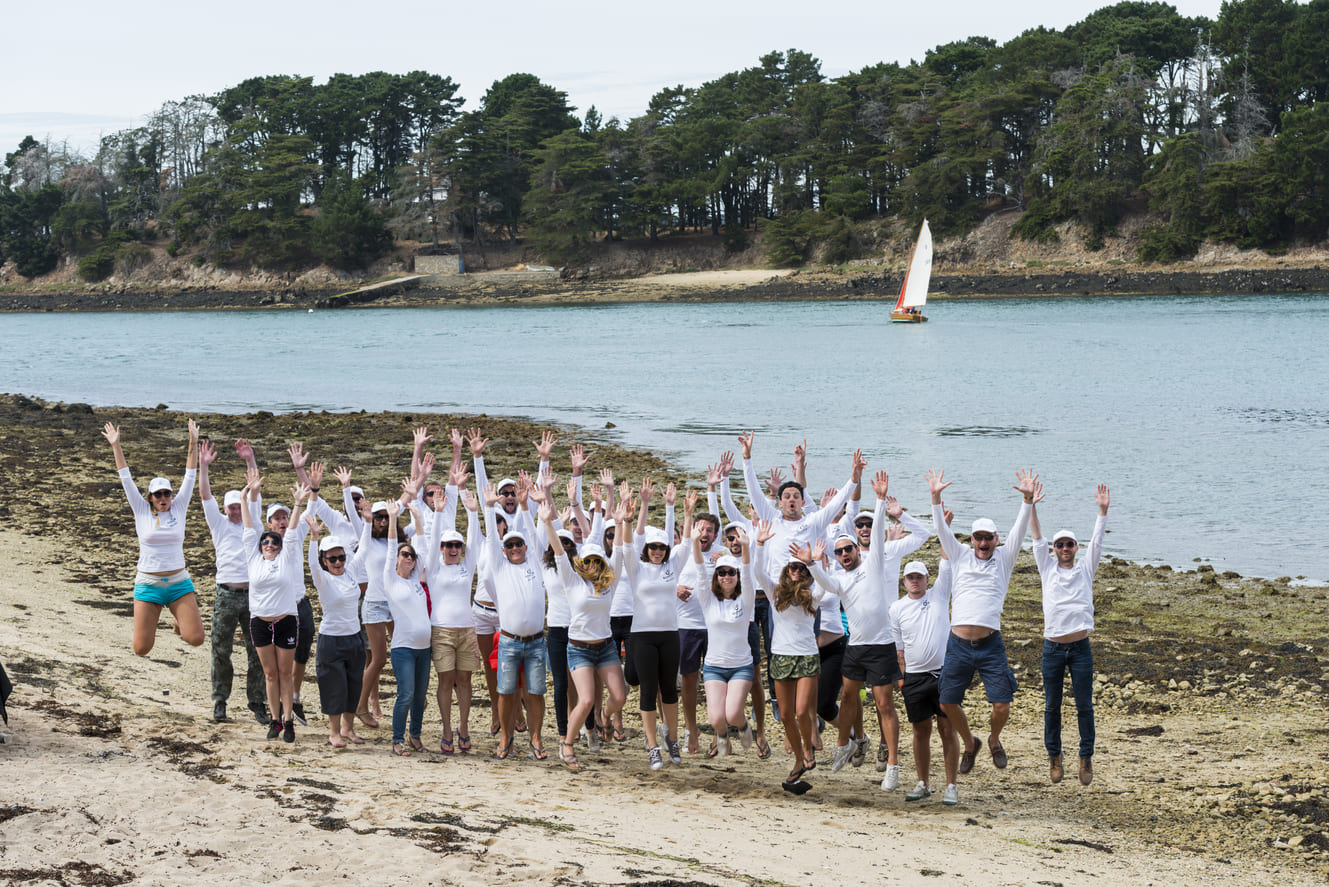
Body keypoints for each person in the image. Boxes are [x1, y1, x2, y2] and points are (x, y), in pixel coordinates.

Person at [812, 471, 932, 790]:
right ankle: (853, 742)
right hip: (855, 643)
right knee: (850, 697)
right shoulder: (841, 574)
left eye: (848, 549)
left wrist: (881, 502)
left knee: (884, 703)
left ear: (859, 547)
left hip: (885, 641)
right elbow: (826, 574)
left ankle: (891, 762)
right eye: (840, 552)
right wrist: (814, 557)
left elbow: (880, 532)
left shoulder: (877, 558)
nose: (844, 554)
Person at [928, 467, 1037, 774]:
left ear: (995, 539)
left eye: (989, 538)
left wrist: (1027, 500)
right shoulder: (959, 554)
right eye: (979, 537)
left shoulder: (1004, 558)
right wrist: (935, 498)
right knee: (947, 704)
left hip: (990, 644)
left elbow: (1020, 529)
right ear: (972, 539)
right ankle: (970, 743)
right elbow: (940, 529)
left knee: (1002, 704)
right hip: (958, 644)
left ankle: (993, 739)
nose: (984, 543)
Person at [102, 419, 205, 656]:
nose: (162, 498)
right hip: (149, 584)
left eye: (166, 493)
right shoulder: (141, 510)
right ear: (150, 497)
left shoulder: (179, 508)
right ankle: (162, 613)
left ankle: (178, 619)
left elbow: (190, 475)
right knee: (141, 649)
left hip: (179, 582)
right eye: (157, 494)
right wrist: (116, 445)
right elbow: (126, 479)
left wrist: (193, 441)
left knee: (196, 638)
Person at [1031, 483, 1109, 787]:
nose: (1065, 549)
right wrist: (1032, 505)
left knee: (1084, 706)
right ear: (1054, 549)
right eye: (1060, 545)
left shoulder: (1085, 570)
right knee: (1052, 706)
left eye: (1070, 545)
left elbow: (1098, 543)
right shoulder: (1046, 568)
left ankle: (1085, 756)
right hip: (1052, 648)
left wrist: (1102, 512)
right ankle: (1055, 756)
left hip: (1080, 648)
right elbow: (1036, 536)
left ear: (1076, 548)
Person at [537, 497, 623, 771]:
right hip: (579, 648)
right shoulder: (572, 580)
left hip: (606, 647)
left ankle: (605, 719)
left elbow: (620, 551)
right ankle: (568, 744)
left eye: (598, 561)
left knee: (619, 697)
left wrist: (621, 523)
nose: (593, 565)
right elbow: (559, 551)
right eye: (588, 560)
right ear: (582, 562)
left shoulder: (609, 583)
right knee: (585, 699)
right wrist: (548, 521)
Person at [620, 477, 693, 771]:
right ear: (647, 547)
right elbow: (627, 545)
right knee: (648, 691)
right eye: (653, 547)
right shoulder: (636, 568)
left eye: (662, 547)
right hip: (642, 637)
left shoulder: (671, 567)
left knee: (670, 690)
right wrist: (629, 517)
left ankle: (671, 739)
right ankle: (652, 747)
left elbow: (686, 544)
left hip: (670, 635)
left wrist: (685, 513)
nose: (658, 551)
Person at [753, 524, 828, 792]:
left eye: (801, 568)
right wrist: (760, 544)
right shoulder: (774, 592)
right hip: (781, 657)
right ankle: (798, 759)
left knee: (801, 711)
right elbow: (758, 572)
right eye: (793, 567)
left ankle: (808, 748)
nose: (797, 571)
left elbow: (826, 582)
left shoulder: (813, 595)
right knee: (785, 715)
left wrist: (815, 561)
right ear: (787, 570)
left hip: (807, 656)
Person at [198, 438, 268, 724]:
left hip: (254, 596)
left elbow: (255, 487)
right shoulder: (218, 524)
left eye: (237, 506)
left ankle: (257, 703)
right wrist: (203, 467)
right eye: (230, 507)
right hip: (226, 594)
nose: (234, 511)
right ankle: (220, 702)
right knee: (220, 650)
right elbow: (205, 495)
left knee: (258, 652)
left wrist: (250, 459)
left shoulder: (255, 522)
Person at [481, 482, 550, 761]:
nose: (514, 548)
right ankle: (506, 737)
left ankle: (536, 737)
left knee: (535, 693)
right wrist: (488, 508)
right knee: (506, 692)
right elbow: (490, 540)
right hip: (509, 641)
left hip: (535, 642)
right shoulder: (499, 567)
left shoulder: (536, 563)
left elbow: (535, 538)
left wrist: (525, 506)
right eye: (509, 544)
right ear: (504, 548)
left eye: (518, 543)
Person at [240, 470, 310, 742]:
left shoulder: (287, 557)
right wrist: (246, 498)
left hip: (285, 620)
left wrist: (298, 504)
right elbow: (249, 529)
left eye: (274, 542)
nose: (270, 544)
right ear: (261, 546)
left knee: (285, 673)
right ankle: (274, 720)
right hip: (260, 621)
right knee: (270, 674)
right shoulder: (254, 558)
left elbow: (291, 532)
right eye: (266, 541)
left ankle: (289, 720)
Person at [680, 522, 757, 757]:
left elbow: (747, 572)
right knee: (715, 719)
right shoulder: (708, 600)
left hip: (740, 666)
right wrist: (694, 543)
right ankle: (722, 734)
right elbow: (701, 573)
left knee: (733, 714)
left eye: (730, 572)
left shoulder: (746, 599)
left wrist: (745, 549)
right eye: (722, 572)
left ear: (736, 576)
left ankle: (743, 726)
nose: (726, 576)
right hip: (714, 667)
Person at [891, 559, 960, 805]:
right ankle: (923, 783)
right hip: (914, 677)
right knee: (920, 731)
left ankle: (951, 784)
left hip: (944, 673)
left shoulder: (939, 594)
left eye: (919, 576)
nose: (915, 581)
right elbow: (899, 649)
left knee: (947, 730)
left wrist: (944, 526)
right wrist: (902, 679)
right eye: (910, 577)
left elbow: (947, 562)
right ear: (904, 581)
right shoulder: (897, 608)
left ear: (927, 579)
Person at [421, 482, 483, 753]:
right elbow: (433, 541)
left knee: (466, 680)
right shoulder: (433, 567)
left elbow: (477, 541)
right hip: (442, 631)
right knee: (446, 681)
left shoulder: (466, 567)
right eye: (448, 545)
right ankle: (447, 729)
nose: (453, 549)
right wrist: (437, 513)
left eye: (457, 545)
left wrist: (472, 512)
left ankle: (464, 727)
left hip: (467, 631)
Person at [305, 516, 367, 748]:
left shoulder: (351, 572)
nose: (338, 562)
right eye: (332, 558)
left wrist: (368, 522)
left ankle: (348, 729)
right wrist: (313, 537)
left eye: (341, 557)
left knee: (353, 685)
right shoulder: (324, 580)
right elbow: (311, 564)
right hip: (331, 639)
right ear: (325, 560)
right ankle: (334, 732)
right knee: (334, 686)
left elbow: (365, 548)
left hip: (354, 638)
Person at [382, 499, 433, 756]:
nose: (409, 558)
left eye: (411, 556)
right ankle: (396, 739)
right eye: (405, 555)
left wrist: (419, 518)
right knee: (406, 694)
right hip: (403, 647)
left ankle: (415, 736)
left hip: (425, 648)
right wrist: (393, 518)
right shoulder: (391, 580)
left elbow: (422, 546)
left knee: (420, 697)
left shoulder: (416, 580)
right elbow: (392, 548)